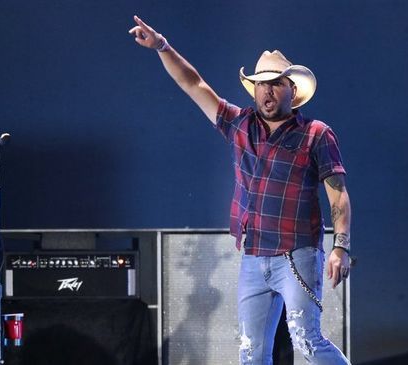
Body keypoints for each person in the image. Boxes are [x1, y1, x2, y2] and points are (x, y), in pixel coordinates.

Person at [129, 15, 353, 365]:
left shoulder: (316, 134)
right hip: (253, 256)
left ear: (292, 90)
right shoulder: (240, 124)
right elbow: (194, 85)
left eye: (276, 83)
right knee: (251, 351)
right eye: (261, 84)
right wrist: (163, 47)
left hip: (298, 253)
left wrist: (340, 247)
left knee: (307, 341)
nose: (267, 90)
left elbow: (337, 193)